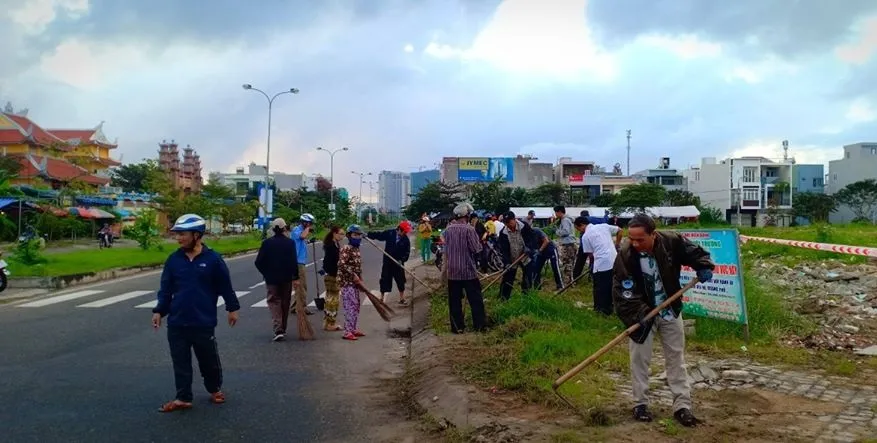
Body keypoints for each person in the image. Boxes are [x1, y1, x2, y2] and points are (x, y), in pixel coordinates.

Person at [613, 214, 715, 427]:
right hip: (641, 314)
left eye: (640, 239)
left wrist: (703, 265)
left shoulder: (671, 241)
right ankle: (640, 403)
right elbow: (623, 292)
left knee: (676, 358)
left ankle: (682, 406)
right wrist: (639, 313)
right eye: (632, 238)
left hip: (670, 309)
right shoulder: (625, 254)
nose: (635, 243)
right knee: (639, 359)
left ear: (653, 233)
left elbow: (694, 253)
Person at [151, 214, 240, 413]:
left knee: (208, 360)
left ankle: (214, 388)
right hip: (177, 321)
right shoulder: (173, 260)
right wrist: (159, 311)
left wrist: (232, 308)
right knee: (180, 362)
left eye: (183, 234)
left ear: (196, 235)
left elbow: (225, 286)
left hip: (203, 321)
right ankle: (183, 397)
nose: (178, 238)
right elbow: (165, 290)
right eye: (177, 235)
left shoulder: (213, 260)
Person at [254, 218, 301, 342]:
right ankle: (282, 328)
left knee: (274, 302)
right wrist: (295, 277)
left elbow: (258, 262)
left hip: (271, 279)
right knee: (285, 302)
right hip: (286, 278)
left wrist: (266, 273)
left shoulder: (267, 243)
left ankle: (278, 328)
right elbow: (293, 262)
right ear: (285, 228)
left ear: (273, 229)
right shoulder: (290, 243)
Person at [443, 203, 486, 333]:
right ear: (466, 216)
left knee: (454, 301)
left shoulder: (448, 230)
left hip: (452, 271)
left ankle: (457, 327)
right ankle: (479, 326)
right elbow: (476, 249)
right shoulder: (469, 230)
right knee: (476, 300)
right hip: (468, 271)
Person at [574, 216, 622, 315]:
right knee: (612, 285)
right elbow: (620, 231)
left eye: (578, 229)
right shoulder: (603, 226)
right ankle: (611, 307)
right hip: (615, 260)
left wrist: (593, 265)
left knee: (600, 287)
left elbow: (590, 254)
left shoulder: (585, 236)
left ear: (582, 225)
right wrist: (617, 245)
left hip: (601, 264)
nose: (579, 231)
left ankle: (602, 310)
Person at [367, 221, 412, 305]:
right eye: (404, 232)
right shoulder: (390, 233)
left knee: (400, 280)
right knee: (385, 279)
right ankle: (382, 297)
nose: (405, 233)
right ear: (399, 229)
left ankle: (402, 298)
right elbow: (379, 235)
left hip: (398, 263)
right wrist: (368, 235)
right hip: (388, 261)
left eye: (406, 232)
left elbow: (407, 252)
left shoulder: (405, 240)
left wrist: (402, 260)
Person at [496, 211, 538, 300]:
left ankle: (527, 296)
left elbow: (532, 237)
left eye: (510, 222)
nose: (508, 224)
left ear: (514, 219)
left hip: (525, 256)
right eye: (506, 222)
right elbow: (504, 250)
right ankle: (503, 298)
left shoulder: (524, 226)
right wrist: (507, 262)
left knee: (527, 276)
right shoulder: (503, 233)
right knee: (508, 279)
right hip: (512, 258)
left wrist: (529, 247)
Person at [338, 224, 367, 341]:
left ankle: (353, 328)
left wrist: (360, 278)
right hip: (347, 283)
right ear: (349, 236)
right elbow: (342, 264)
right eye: (355, 235)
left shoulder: (356, 249)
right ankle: (347, 331)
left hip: (355, 283)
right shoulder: (346, 248)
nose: (357, 237)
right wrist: (353, 275)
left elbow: (357, 267)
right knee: (350, 306)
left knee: (356, 306)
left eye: (359, 235)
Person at [290, 213, 316, 315]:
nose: (310, 225)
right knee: (302, 286)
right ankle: (302, 308)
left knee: (300, 286)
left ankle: (295, 307)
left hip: (301, 261)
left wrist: (309, 241)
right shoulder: (297, 229)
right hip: (297, 262)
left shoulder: (301, 230)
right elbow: (302, 236)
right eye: (308, 223)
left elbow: (302, 241)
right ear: (304, 222)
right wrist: (308, 228)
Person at [321, 226, 344, 332]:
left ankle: (328, 322)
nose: (342, 236)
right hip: (332, 275)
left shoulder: (334, 244)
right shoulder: (331, 246)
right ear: (334, 233)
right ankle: (330, 323)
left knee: (330, 298)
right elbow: (332, 262)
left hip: (332, 274)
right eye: (340, 234)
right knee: (332, 300)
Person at [527, 225, 563, 291]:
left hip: (550, 249)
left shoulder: (536, 230)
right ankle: (537, 288)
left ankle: (560, 286)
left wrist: (539, 250)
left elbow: (546, 241)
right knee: (536, 269)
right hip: (540, 252)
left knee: (555, 267)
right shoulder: (525, 236)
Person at [553, 205, 577, 287]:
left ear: (559, 212)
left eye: (556, 212)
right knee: (570, 263)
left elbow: (565, 231)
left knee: (567, 263)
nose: (555, 214)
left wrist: (557, 231)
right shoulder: (567, 219)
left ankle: (568, 283)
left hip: (568, 244)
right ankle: (570, 281)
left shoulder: (565, 220)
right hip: (570, 243)